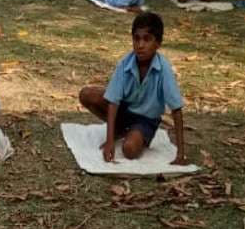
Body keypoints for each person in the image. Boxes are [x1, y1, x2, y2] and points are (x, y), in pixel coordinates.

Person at [78, 12, 186, 164]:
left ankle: (136, 135)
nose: (140, 45)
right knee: (87, 94)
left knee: (129, 150)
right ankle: (119, 130)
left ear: (158, 44)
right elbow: (113, 102)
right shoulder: (125, 63)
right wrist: (110, 141)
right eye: (136, 38)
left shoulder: (163, 69)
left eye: (147, 39)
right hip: (126, 110)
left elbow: (176, 109)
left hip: (146, 120)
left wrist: (180, 153)